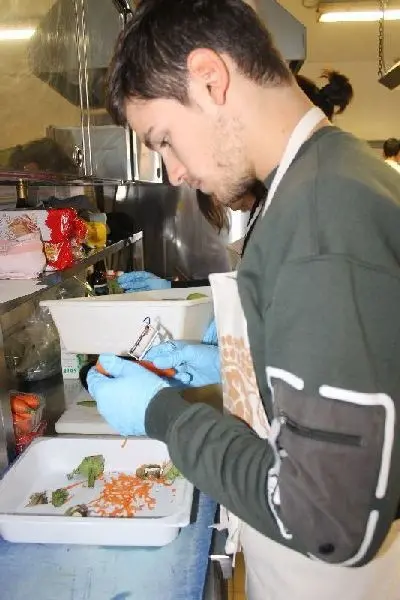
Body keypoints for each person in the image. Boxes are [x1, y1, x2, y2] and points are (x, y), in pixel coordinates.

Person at [87, 1, 400, 599]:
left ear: (210, 78)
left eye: (165, 140)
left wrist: (163, 414)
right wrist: (234, 369)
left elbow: (328, 520)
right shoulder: (316, 180)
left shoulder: (320, 219)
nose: (174, 172)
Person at [119, 69, 354, 292]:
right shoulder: (278, 204)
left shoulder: (314, 202)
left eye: (167, 140)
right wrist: (174, 289)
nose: (176, 174)